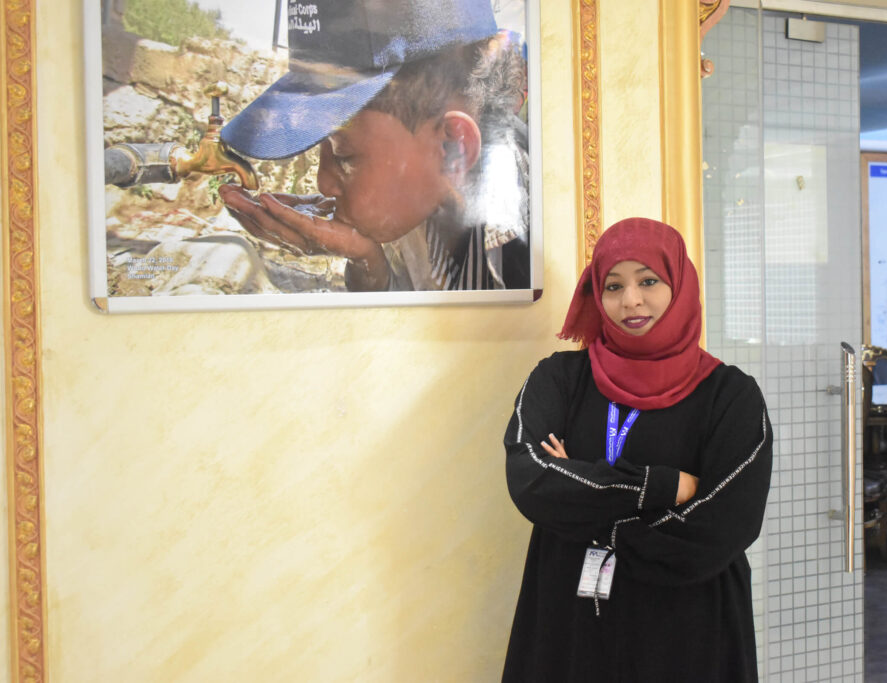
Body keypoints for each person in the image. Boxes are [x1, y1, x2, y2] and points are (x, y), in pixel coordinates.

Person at [502, 217, 772, 682]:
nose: (630, 300)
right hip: (572, 619)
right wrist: (661, 486)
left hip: (688, 624)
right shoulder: (561, 379)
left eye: (649, 281)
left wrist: (586, 500)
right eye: (612, 286)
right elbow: (531, 478)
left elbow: (725, 524)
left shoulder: (729, 394)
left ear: (679, 285)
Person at [217, 0, 530, 292]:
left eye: (344, 157)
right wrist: (367, 262)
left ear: (452, 149)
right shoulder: (416, 195)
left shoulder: (534, 255)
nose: (323, 183)